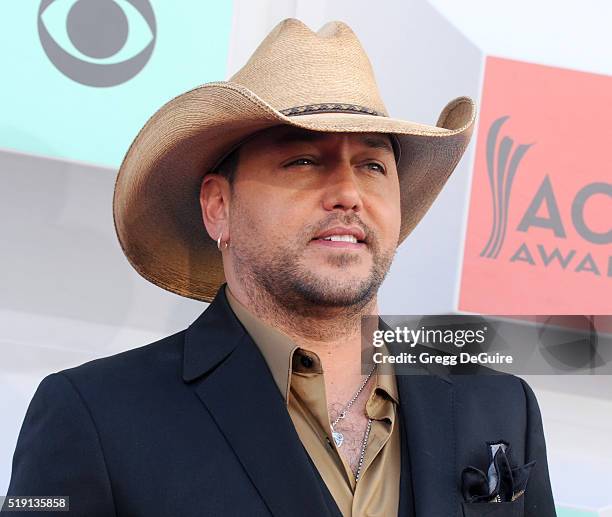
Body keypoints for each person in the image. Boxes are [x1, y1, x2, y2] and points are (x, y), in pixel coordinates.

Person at [5, 18, 556, 517]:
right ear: (218, 207)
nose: (347, 192)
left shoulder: (500, 407)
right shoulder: (93, 415)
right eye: (303, 161)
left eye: (372, 165)